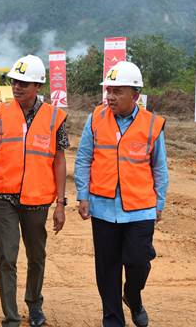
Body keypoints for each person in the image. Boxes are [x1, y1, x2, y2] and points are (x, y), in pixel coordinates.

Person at [74, 61, 169, 327]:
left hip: (140, 209)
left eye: (118, 91)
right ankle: (113, 320)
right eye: (108, 90)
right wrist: (83, 194)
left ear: (135, 95)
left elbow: (160, 167)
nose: (110, 97)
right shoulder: (96, 118)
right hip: (103, 207)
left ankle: (133, 295)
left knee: (138, 261)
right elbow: (83, 158)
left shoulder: (152, 125)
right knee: (107, 269)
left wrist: (159, 203)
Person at [0, 55, 68, 327]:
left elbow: (59, 159)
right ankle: (11, 317)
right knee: (6, 257)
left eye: (24, 83)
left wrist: (61, 204)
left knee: (36, 256)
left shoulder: (55, 117)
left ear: (38, 87)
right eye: (14, 82)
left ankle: (34, 305)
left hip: (37, 199)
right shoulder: (0, 111)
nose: (17, 87)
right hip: (4, 197)